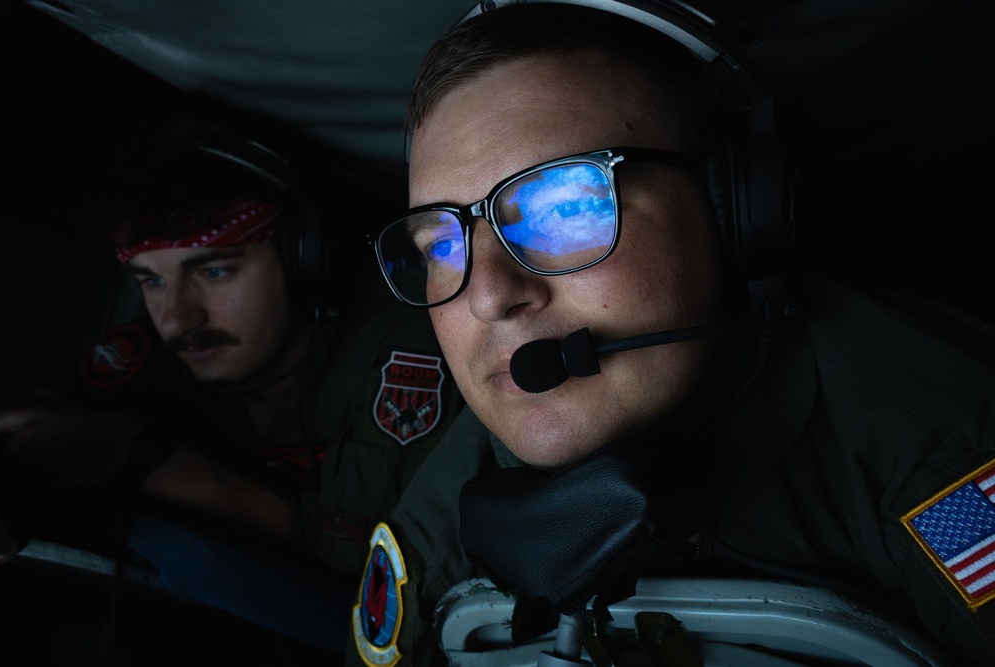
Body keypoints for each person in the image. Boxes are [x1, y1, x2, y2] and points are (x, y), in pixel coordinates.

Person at [347, 3, 995, 666]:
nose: (487, 296)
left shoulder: (938, 453)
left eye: (566, 207)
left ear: (736, 210)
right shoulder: (448, 497)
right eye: (442, 245)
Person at [0, 117, 463, 658]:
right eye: (150, 281)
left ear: (303, 258)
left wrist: (152, 455)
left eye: (213, 272)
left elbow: (369, 560)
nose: (176, 319)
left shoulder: (400, 348)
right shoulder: (145, 357)